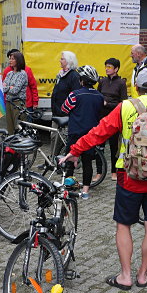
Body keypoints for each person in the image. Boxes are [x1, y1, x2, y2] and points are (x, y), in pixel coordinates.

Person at [60, 68, 147, 290]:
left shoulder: (125, 107)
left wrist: (76, 150)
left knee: (124, 225)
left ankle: (125, 276)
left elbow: (99, 132)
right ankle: (143, 275)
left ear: (136, 87)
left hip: (128, 176)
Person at [61, 65, 104, 199]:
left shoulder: (75, 95)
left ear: (81, 80)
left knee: (70, 159)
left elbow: (64, 109)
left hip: (75, 132)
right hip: (91, 134)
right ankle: (85, 191)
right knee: (87, 162)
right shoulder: (99, 96)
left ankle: (68, 187)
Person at [97, 57, 128, 181]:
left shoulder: (121, 83)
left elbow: (123, 102)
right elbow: (98, 96)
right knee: (99, 145)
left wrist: (108, 104)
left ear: (116, 69)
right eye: (106, 66)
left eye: (109, 67)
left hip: (114, 117)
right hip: (102, 117)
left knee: (114, 146)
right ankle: (99, 172)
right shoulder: (102, 81)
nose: (107, 69)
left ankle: (114, 171)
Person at [2, 50, 28, 134]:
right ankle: (10, 144)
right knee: (10, 126)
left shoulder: (22, 74)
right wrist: (10, 87)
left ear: (18, 60)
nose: (10, 61)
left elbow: (15, 90)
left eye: (12, 59)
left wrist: (8, 87)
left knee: (18, 126)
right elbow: (3, 88)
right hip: (9, 102)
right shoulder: (9, 73)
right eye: (10, 59)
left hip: (18, 103)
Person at [51, 50, 81, 118]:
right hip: (57, 114)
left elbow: (75, 97)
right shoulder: (60, 74)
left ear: (69, 61)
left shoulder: (74, 76)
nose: (60, 61)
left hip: (66, 116)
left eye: (62, 59)